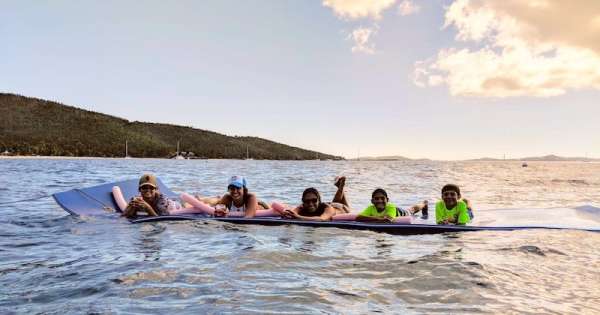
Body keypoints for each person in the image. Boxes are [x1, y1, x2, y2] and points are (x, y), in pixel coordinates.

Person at [281, 176, 351, 221]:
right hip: (331, 204)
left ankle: (341, 186)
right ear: (303, 202)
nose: (310, 204)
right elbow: (293, 213)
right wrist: (287, 213)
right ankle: (339, 186)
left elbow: (322, 219)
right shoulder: (302, 207)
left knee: (338, 203)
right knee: (335, 202)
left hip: (340, 208)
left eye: (314, 200)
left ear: (319, 200)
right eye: (307, 201)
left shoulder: (328, 208)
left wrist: (298, 217)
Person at [356, 189, 428, 222]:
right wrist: (378, 218)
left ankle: (424, 204)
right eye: (377, 199)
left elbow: (388, 220)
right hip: (383, 216)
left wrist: (372, 218)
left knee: (412, 210)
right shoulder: (371, 208)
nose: (380, 201)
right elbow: (358, 218)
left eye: (382, 198)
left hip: (402, 213)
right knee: (412, 209)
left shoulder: (390, 206)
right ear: (372, 201)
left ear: (387, 200)